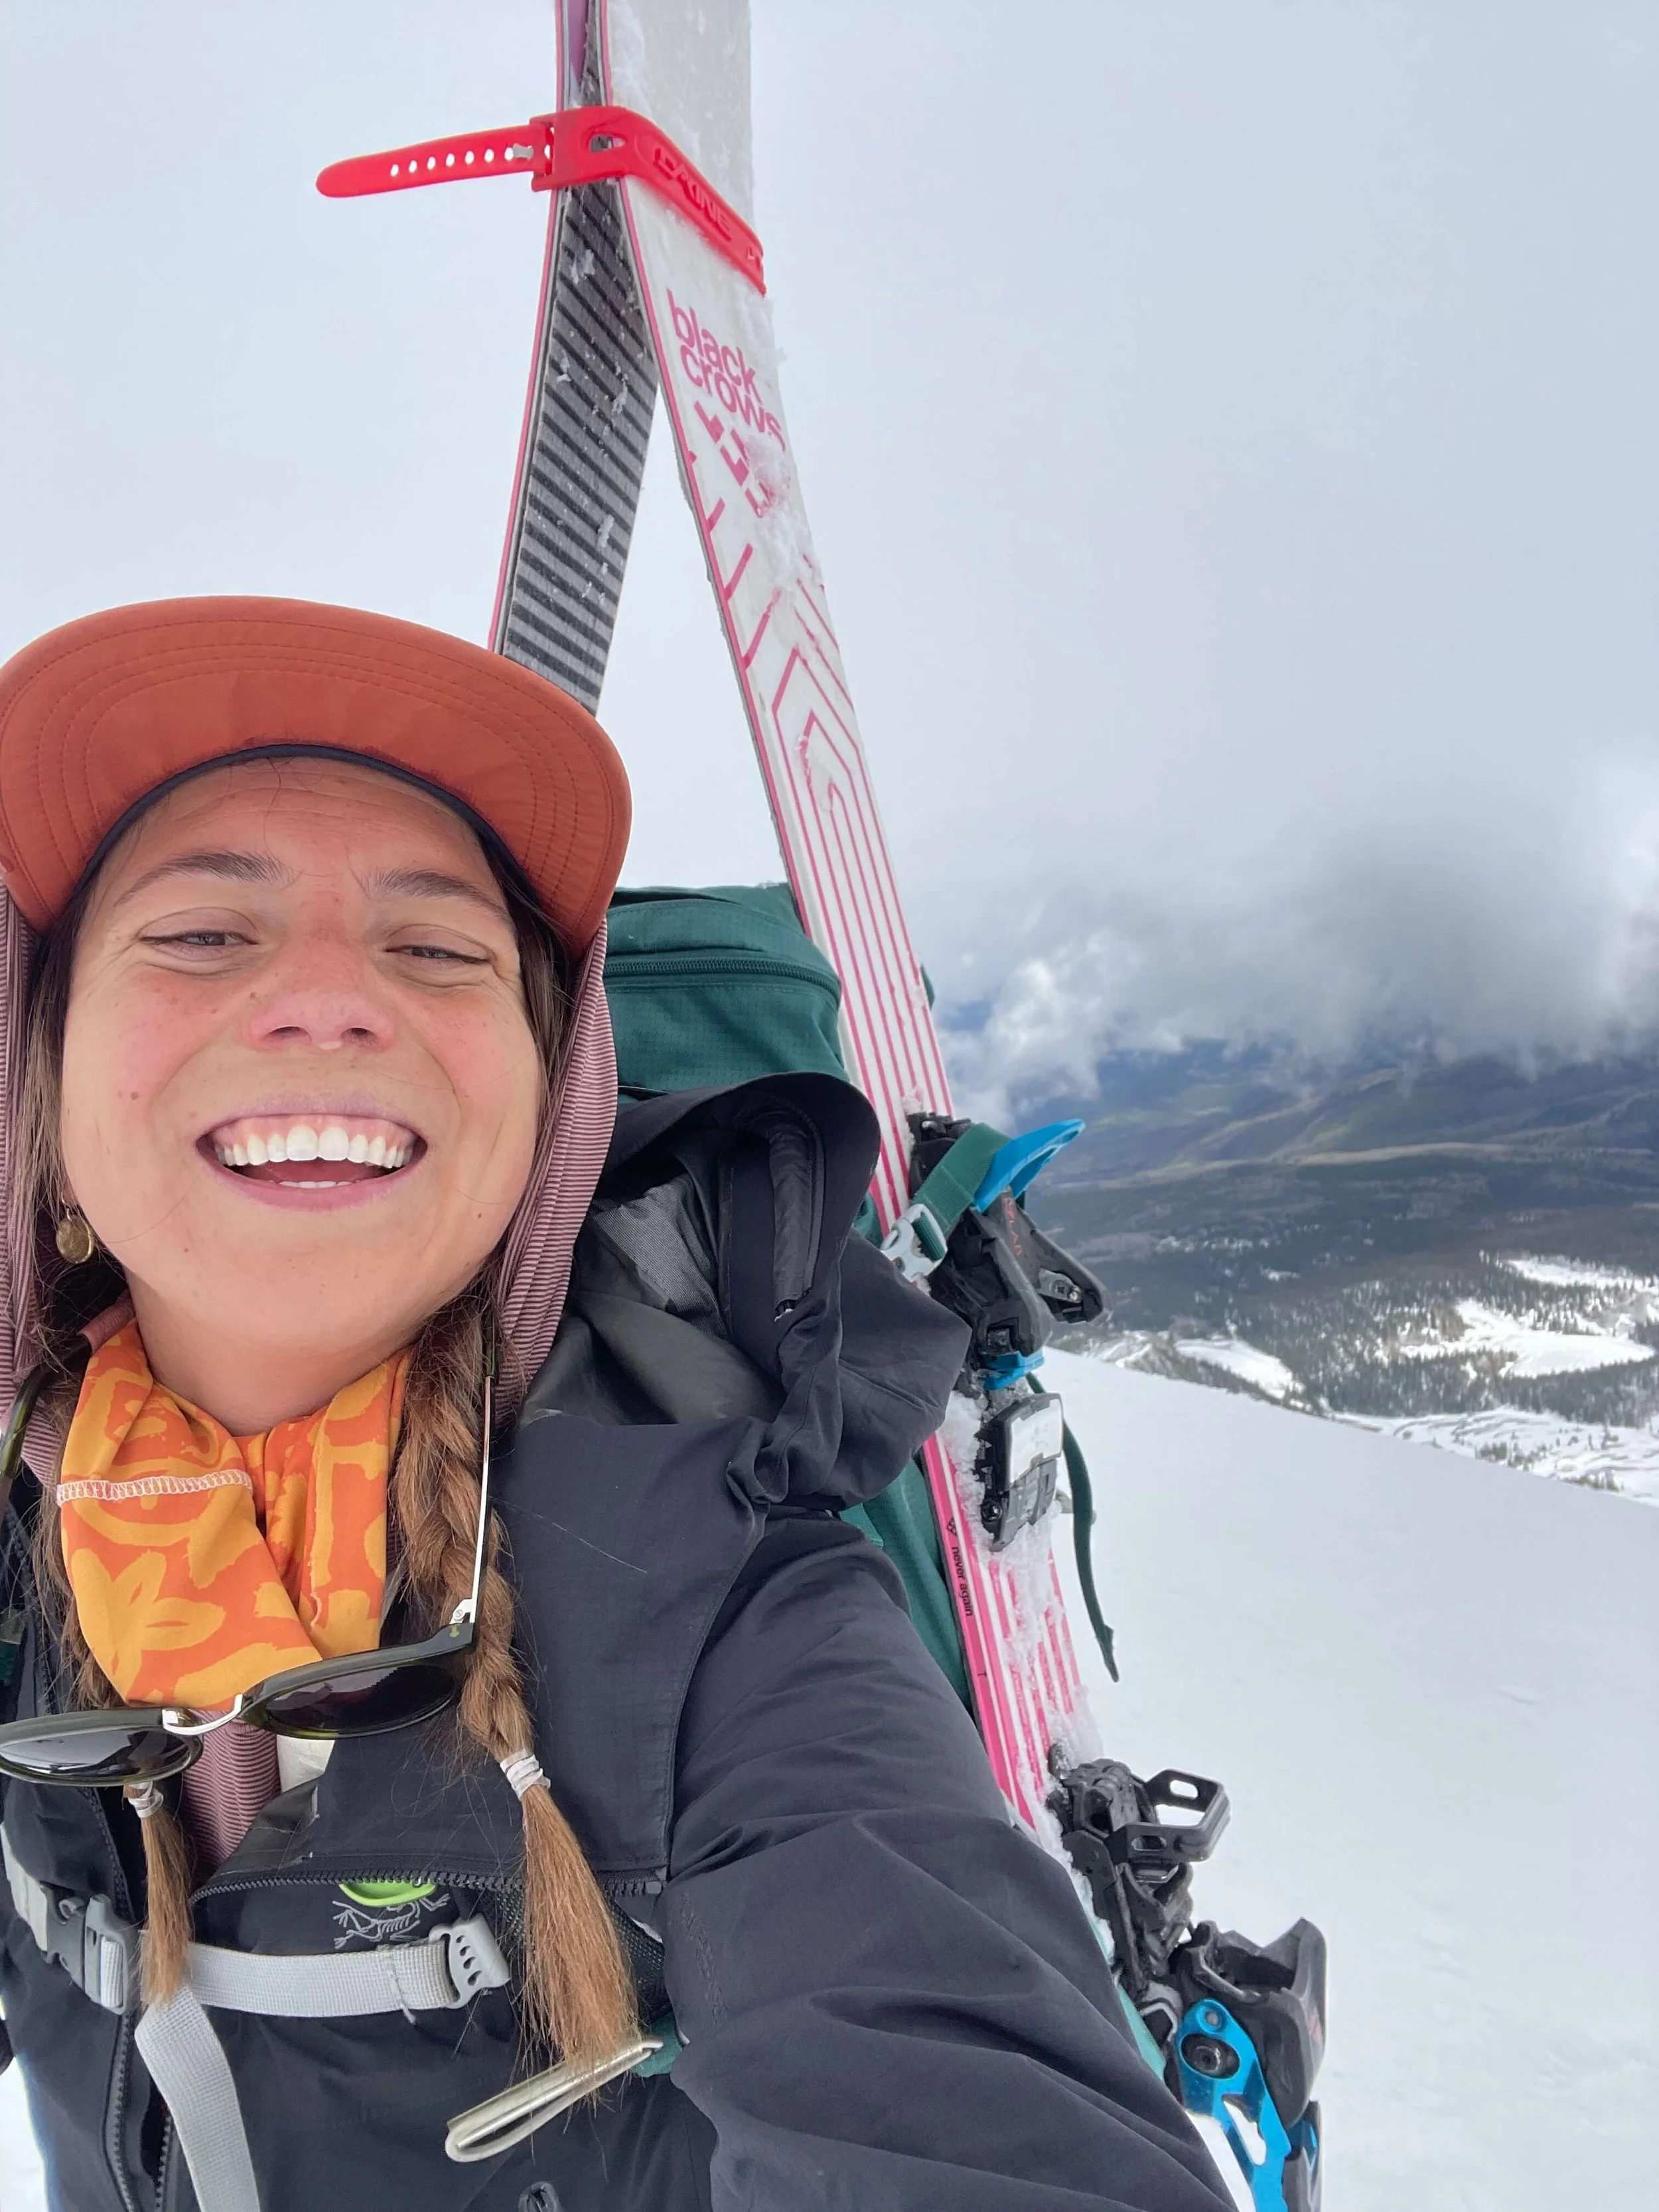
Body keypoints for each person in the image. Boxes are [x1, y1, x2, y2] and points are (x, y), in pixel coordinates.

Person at [0, 597, 1231, 2211]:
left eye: (436, 947)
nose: (323, 996)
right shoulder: (28, 1537)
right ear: (43, 1075)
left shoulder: (719, 1611)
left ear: (551, 1111)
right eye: (200, 934)